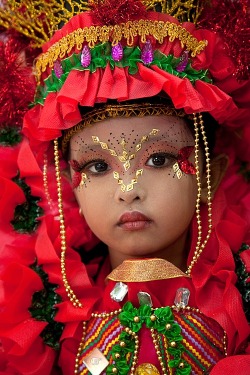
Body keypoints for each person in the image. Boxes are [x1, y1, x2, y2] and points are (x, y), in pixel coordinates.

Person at [0, 1, 250, 374]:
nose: (128, 189)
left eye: (159, 160)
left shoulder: (241, 302)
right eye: (98, 167)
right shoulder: (46, 325)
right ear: (72, 186)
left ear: (209, 175)